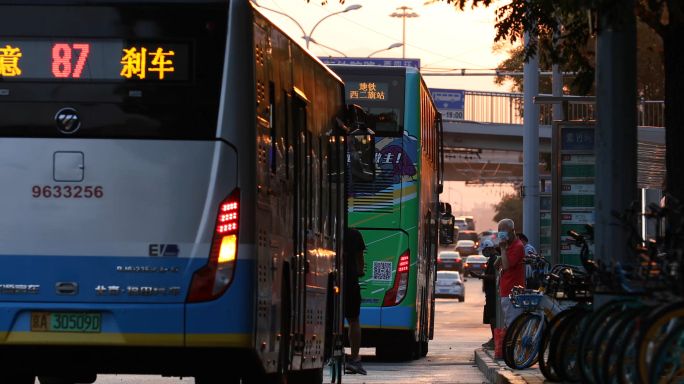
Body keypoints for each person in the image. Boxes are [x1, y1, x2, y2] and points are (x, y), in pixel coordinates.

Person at [343, 226, 367, 375]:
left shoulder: (324, 230)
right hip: (349, 282)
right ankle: (354, 358)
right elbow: (360, 258)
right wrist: (360, 271)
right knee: (353, 320)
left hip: (328, 282)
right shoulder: (354, 234)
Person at [495, 218, 526, 328]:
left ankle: (514, 344)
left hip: (513, 291)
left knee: (513, 323)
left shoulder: (517, 246)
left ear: (512, 231)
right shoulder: (509, 245)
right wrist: (499, 257)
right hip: (506, 290)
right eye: (499, 229)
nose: (500, 232)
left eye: (503, 229)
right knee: (508, 321)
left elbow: (507, 266)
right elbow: (503, 262)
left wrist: (502, 248)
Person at [470, 239, 499, 349]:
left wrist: (479, 276)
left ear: (488, 249)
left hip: (493, 293)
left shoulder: (494, 259)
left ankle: (495, 339)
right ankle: (494, 338)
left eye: (484, 250)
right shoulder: (492, 259)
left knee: (492, 315)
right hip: (491, 292)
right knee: (490, 315)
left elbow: (493, 276)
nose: (483, 252)